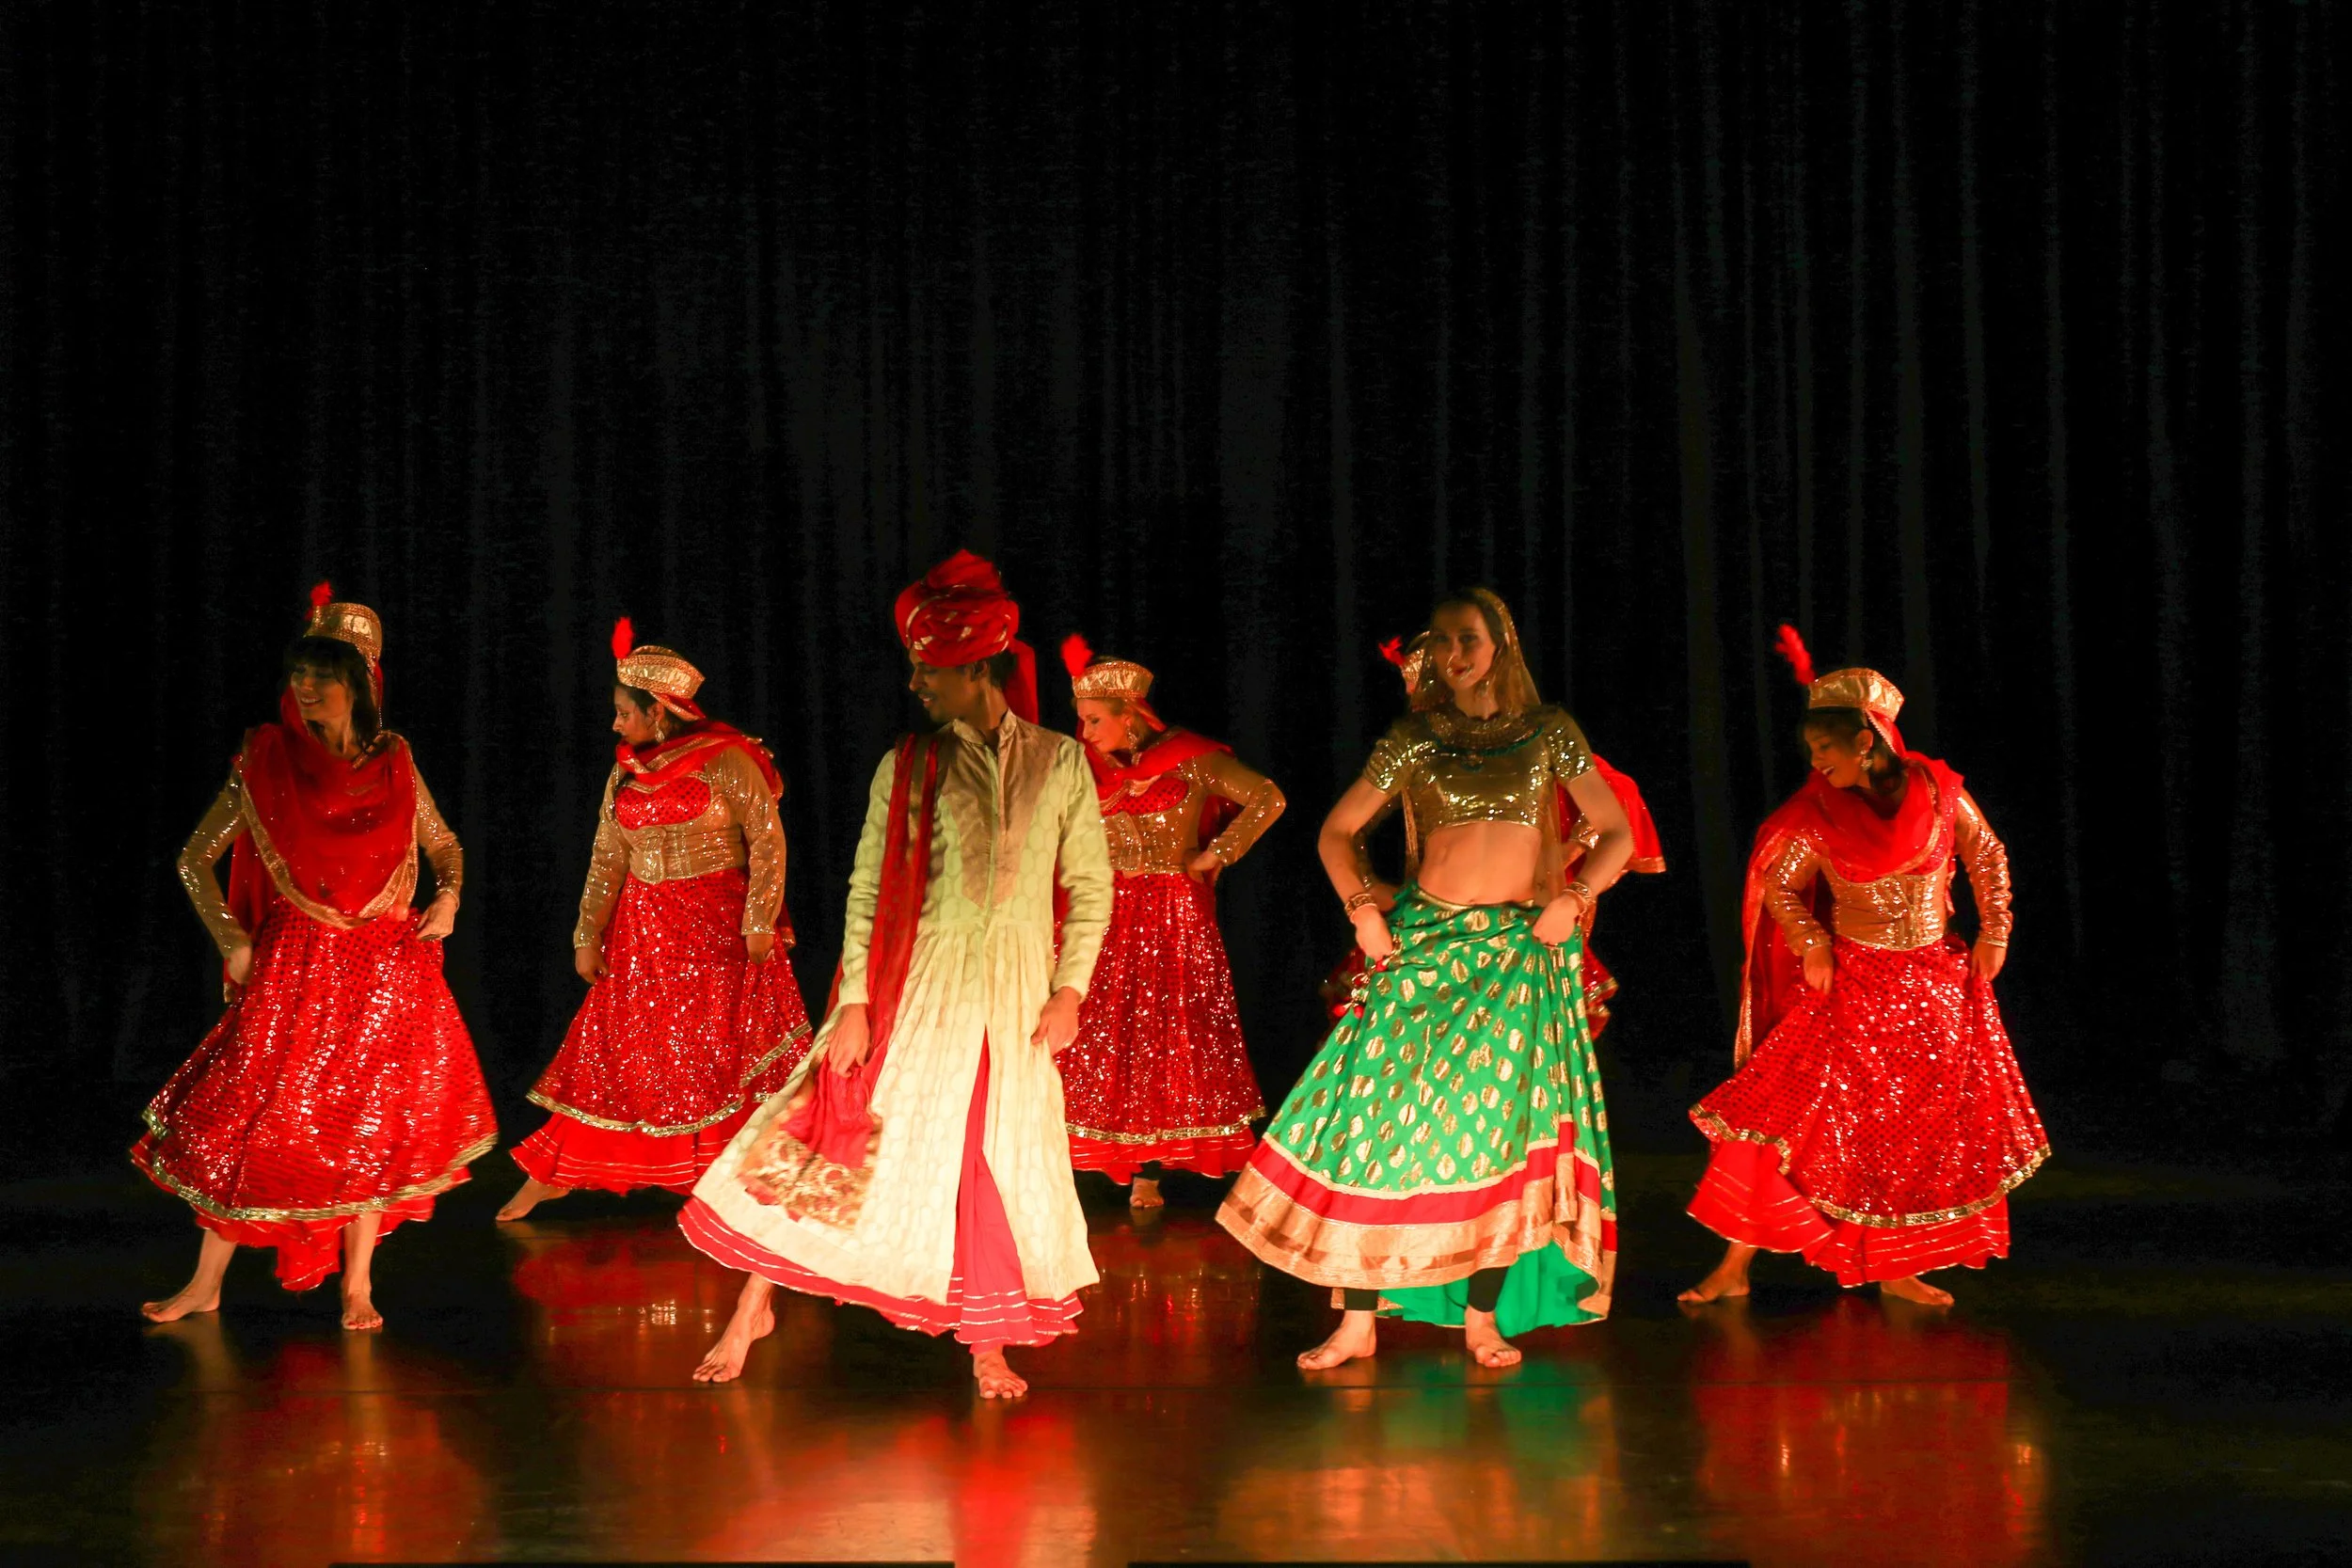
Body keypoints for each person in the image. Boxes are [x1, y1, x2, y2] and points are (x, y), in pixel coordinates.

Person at [678, 550, 1114, 1400]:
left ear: (976, 668)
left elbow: (1091, 884)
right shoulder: (909, 765)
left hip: (1018, 995)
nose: (916, 684)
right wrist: (851, 1002)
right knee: (836, 1128)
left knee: (993, 1154)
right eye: (914, 668)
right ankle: (754, 1303)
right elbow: (867, 887)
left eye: (930, 671)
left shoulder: (1060, 762)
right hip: (919, 986)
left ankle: (988, 1340)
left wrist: (1070, 989)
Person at [1219, 588, 1634, 1370]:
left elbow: (1617, 830)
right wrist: (1362, 912)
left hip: (1514, 956)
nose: (1452, 654)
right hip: (1421, 946)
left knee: (1500, 1138)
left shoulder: (1549, 731)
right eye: (1441, 642)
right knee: (1375, 1128)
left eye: (1467, 639)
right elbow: (1336, 831)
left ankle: (1482, 1319)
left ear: (1500, 642)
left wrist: (1577, 896)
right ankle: (1356, 1321)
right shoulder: (1416, 737)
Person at [134, 583, 496, 1331]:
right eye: (298, 673)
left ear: (360, 682)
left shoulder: (396, 761)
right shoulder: (266, 759)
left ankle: (358, 1285)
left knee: (368, 1121)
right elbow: (194, 857)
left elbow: (446, 847)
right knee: (251, 1117)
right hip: (296, 963)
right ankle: (206, 1282)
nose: (305, 687)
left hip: (386, 963)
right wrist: (232, 938)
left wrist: (449, 900)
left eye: (322, 673)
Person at [1678, 627, 2046, 1307]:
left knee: (1912, 1136)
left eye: (1825, 749)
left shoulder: (1939, 792)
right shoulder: (1815, 815)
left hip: (1937, 986)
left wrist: (1997, 929)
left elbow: (1988, 854)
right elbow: (1779, 886)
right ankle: (1734, 1265)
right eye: (1811, 751)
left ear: (1867, 740)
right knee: (1779, 1120)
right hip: (1853, 990)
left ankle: (1896, 1266)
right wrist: (1812, 943)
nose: (1816, 764)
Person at [499, 621, 813, 1220]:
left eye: (624, 712)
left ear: (661, 710)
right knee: (620, 1053)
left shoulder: (727, 759)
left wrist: (760, 919)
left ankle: (740, 1186)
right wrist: (587, 934)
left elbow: (768, 842)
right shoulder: (625, 770)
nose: (616, 724)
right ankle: (559, 1171)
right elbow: (607, 854)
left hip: (719, 930)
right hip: (644, 932)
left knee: (721, 1055)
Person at [1321, 632, 1666, 1035]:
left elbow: (1616, 802)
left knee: (1522, 1043)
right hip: (1434, 926)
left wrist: (1567, 865)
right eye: (1411, 685)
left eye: (1424, 681)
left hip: (1524, 920)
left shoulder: (1531, 738)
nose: (1417, 693)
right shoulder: (1419, 749)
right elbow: (1348, 829)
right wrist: (1369, 896)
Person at [1055, 636, 1284, 1209]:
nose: (1086, 733)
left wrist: (1217, 854)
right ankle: (1088, 1158)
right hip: (1105, 912)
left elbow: (1266, 798)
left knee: (1168, 1034)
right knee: (1104, 1037)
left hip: (1172, 914)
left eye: (1094, 720)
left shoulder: (1190, 758)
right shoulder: (1083, 771)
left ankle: (1152, 1170)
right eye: (1080, 721)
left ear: (1129, 715)